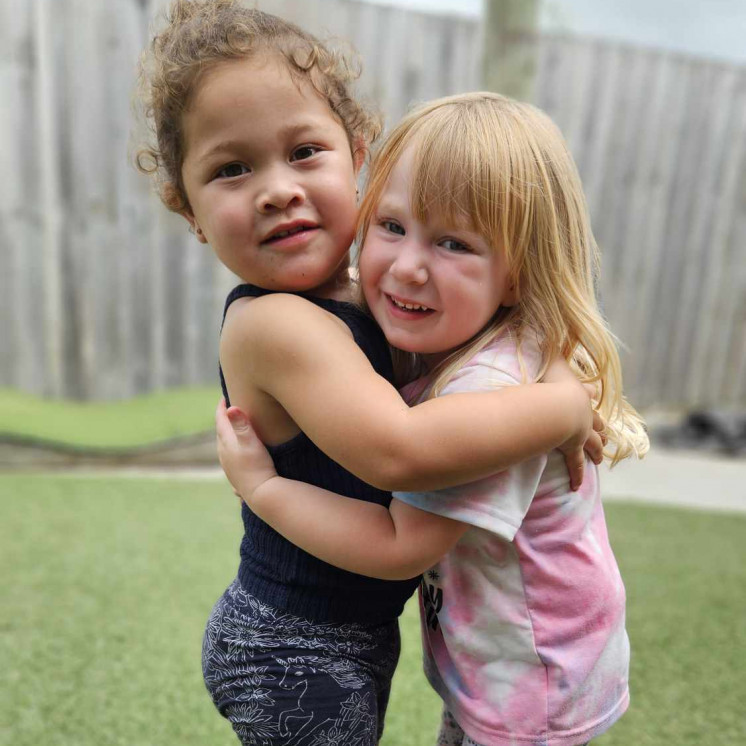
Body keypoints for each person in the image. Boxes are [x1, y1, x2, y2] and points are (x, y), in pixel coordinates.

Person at [136, 3, 600, 743]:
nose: (278, 188)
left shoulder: (362, 287)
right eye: (231, 169)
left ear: (358, 159)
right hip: (294, 646)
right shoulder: (275, 324)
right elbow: (402, 450)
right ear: (188, 209)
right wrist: (566, 407)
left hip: (345, 637)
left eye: (304, 152)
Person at [216, 92, 649, 746]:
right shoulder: (458, 330)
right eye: (391, 226)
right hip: (500, 662)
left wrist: (264, 489)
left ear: (518, 273)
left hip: (532, 684)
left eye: (453, 242)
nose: (407, 267)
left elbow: (400, 544)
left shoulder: (490, 388)